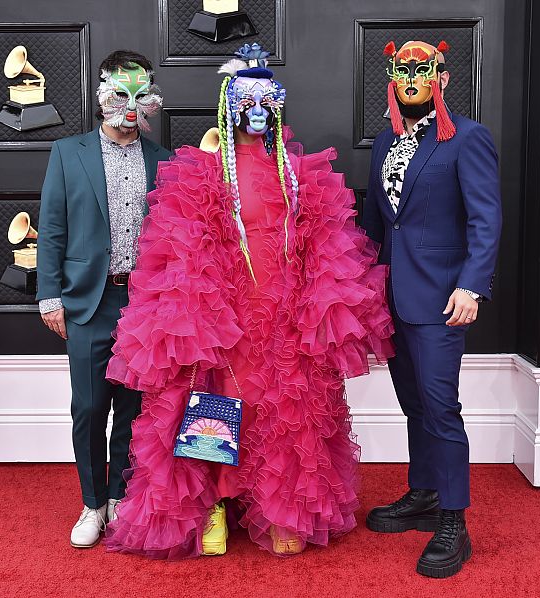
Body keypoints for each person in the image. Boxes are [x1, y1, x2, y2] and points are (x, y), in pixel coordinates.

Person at [103, 43, 394, 558]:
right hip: (226, 309)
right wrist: (202, 308)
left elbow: (322, 243)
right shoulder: (206, 171)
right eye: (247, 104)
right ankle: (213, 503)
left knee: (282, 408)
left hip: (283, 310)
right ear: (231, 109)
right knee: (215, 399)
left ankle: (282, 505)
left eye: (266, 104)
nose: (257, 113)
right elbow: (181, 243)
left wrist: (315, 303)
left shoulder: (298, 174)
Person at [361, 40, 502, 578]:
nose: (412, 79)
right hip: (392, 298)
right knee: (413, 405)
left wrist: (472, 287)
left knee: (441, 408)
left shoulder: (468, 138)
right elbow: (378, 222)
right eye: (403, 72)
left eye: (423, 71)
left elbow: (485, 219)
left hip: (443, 297)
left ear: (441, 79)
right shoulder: (383, 142)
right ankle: (423, 493)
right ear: (393, 81)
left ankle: (453, 520)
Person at [35, 50, 171, 549]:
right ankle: (92, 503)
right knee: (90, 407)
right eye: (121, 93)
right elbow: (50, 229)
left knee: (135, 409)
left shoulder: (164, 160)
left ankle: (119, 496)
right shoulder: (68, 153)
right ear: (102, 94)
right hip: (87, 301)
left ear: (152, 98)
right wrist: (49, 296)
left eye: (141, 94)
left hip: (145, 304)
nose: (130, 105)